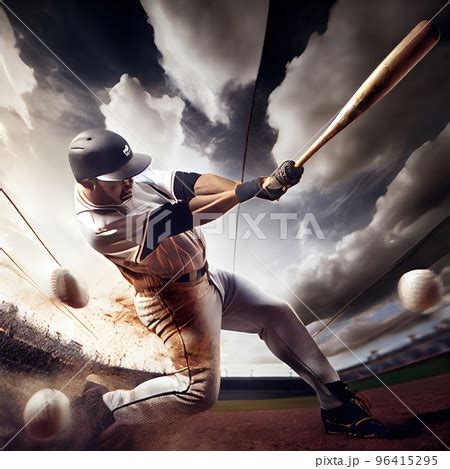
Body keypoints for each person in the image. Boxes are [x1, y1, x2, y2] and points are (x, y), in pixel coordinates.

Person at [69, 129, 388, 441]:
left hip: (207, 276)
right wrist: (249, 189)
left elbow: (188, 183)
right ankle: (106, 406)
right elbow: (187, 213)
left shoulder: (120, 175)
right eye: (119, 179)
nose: (129, 181)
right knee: (198, 393)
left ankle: (336, 406)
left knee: (275, 313)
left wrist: (262, 187)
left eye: (130, 173)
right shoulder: (101, 228)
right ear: (88, 183)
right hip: (174, 303)